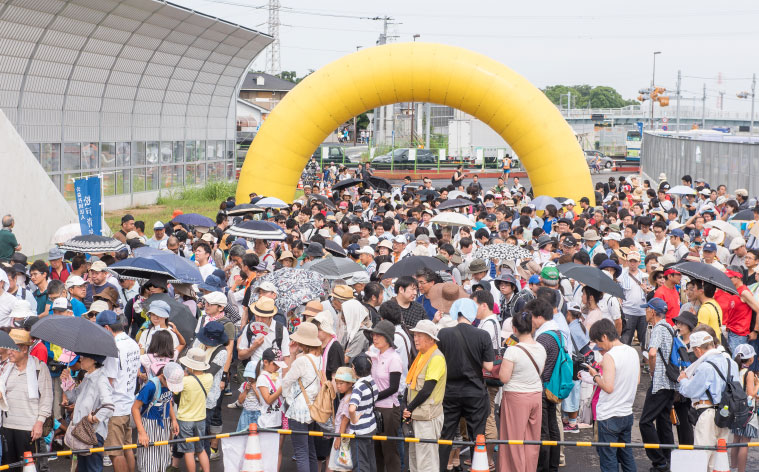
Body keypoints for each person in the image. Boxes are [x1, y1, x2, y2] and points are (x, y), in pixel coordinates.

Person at [436, 298, 494, 472]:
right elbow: (489, 366)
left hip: (450, 392)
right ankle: (478, 467)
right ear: (471, 313)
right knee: (477, 435)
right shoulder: (482, 335)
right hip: (475, 392)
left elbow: (439, 360)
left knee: (446, 435)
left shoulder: (443, 334)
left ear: (455, 312)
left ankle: (441, 467)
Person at [677, 330, 740, 470]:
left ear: (698, 349)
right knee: (719, 459)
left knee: (701, 457)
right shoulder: (731, 363)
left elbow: (690, 391)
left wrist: (683, 380)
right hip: (726, 414)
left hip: (707, 413)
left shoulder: (705, 366)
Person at [587, 319, 640, 472]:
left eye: (598, 342)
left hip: (609, 414)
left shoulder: (610, 356)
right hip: (626, 413)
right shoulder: (632, 351)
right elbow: (636, 381)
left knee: (608, 459)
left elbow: (608, 387)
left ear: (604, 337)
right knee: (626, 456)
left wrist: (595, 375)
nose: (599, 347)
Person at [499, 310, 546, 472]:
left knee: (513, 440)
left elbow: (504, 377)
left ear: (514, 329)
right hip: (536, 395)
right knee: (532, 440)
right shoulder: (541, 347)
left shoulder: (513, 350)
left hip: (516, 396)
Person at [0, 329, 53, 465]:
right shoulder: (6, 368)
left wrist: (40, 422)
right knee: (10, 467)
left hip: (29, 428)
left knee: (29, 467)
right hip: (7, 425)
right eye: (8, 348)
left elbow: (46, 398)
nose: (9, 352)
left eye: (13, 348)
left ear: (24, 349)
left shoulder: (39, 368)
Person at [97, 310, 141, 472]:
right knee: (127, 448)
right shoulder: (132, 342)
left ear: (107, 328)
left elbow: (109, 380)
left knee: (115, 453)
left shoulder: (112, 347)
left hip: (116, 407)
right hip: (129, 402)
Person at [61, 351, 115, 472]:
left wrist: (94, 419)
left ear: (94, 360)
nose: (81, 359)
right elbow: (74, 397)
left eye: (85, 357)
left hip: (92, 432)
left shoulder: (101, 380)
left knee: (92, 468)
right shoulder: (88, 376)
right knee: (84, 468)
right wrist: (67, 381)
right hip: (83, 431)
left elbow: (109, 406)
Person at [640, 298, 677, 472]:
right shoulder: (669, 327)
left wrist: (653, 371)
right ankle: (667, 459)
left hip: (660, 381)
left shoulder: (658, 328)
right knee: (663, 420)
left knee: (645, 422)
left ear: (653, 311)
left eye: (647, 309)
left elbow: (652, 353)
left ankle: (658, 460)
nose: (645, 312)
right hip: (671, 381)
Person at [282, 322, 324, 472]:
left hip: (298, 409)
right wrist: (293, 353)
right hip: (311, 407)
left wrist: (287, 398)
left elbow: (286, 380)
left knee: (301, 452)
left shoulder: (302, 360)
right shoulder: (318, 357)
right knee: (310, 449)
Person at [530, 297, 563, 472]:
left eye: (532, 317)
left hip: (542, 388)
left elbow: (537, 365)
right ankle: (553, 465)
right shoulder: (557, 332)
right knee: (553, 428)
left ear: (539, 316)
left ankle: (543, 467)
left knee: (543, 432)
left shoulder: (544, 337)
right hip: (553, 387)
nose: (531, 322)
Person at [132, 361, 183, 472]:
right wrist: (141, 432)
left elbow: (168, 401)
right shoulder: (150, 386)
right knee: (149, 463)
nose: (171, 389)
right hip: (148, 426)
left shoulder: (168, 388)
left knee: (163, 462)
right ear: (163, 376)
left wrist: (173, 419)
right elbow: (135, 409)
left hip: (163, 424)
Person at [366, 320, 402, 472]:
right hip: (376, 407)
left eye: (379, 335)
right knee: (376, 450)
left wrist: (372, 397)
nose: (375, 337)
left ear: (388, 338)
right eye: (374, 334)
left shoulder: (394, 358)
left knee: (389, 451)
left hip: (389, 408)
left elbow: (393, 388)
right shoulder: (376, 356)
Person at [175, 348, 213, 472]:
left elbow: (174, 391)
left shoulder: (184, 381)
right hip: (201, 418)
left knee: (188, 451)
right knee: (200, 449)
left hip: (185, 419)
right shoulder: (209, 377)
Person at [255, 348, 286, 472]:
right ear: (266, 362)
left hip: (280, 418)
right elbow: (268, 400)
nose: (278, 367)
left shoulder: (277, 376)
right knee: (267, 451)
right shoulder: (262, 378)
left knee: (278, 450)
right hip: (267, 421)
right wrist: (281, 389)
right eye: (275, 364)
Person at [730, 344, 758, 472]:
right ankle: (741, 470)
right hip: (747, 411)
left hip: (736, 409)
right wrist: (757, 385)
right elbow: (751, 394)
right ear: (751, 359)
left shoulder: (735, 370)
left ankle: (733, 467)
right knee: (745, 442)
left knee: (736, 439)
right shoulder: (749, 373)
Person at [349, 354, 378, 472]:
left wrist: (354, 419)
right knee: (371, 460)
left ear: (355, 369)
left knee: (360, 463)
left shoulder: (358, 387)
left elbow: (352, 409)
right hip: (371, 426)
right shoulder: (372, 382)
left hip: (360, 430)